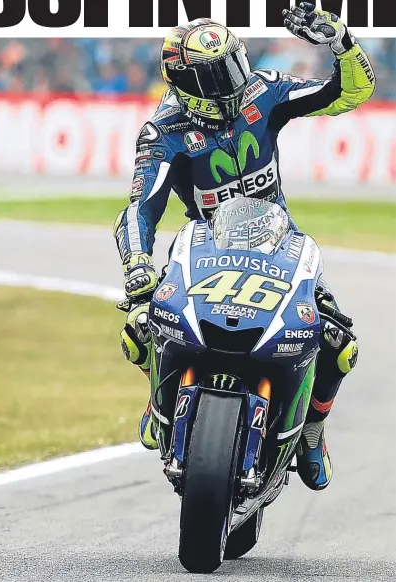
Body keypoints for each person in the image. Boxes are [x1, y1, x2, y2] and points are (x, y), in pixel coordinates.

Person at [114, 3, 374, 491]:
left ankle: (312, 433)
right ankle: (158, 401)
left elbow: (349, 94)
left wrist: (341, 42)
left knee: (340, 344)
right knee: (141, 323)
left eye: (235, 64)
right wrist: (138, 265)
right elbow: (139, 208)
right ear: (184, 83)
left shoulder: (266, 90)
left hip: (282, 246)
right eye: (216, 75)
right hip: (203, 249)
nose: (232, 82)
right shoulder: (164, 132)